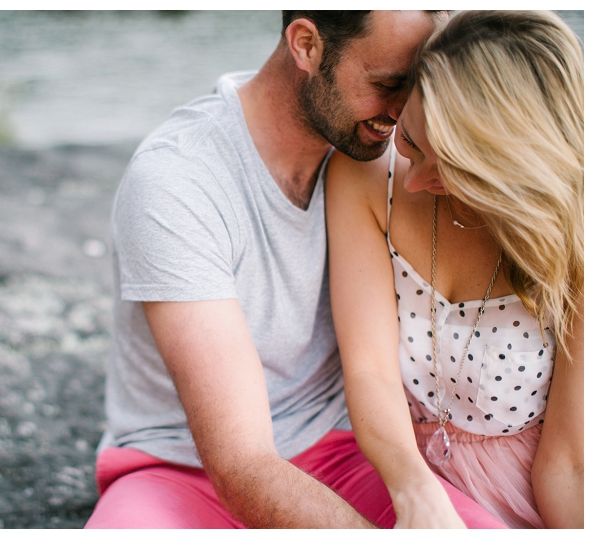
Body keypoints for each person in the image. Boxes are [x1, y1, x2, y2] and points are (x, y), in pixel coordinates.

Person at [85, 11, 506, 529]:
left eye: (414, 85)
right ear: (306, 44)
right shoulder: (178, 181)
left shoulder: (386, 158)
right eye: (387, 84)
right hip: (180, 471)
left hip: (340, 451)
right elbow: (241, 463)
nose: (402, 112)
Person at [326, 10, 583, 529]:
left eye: (454, 169)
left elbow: (570, 466)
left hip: (528, 488)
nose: (416, 181)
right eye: (412, 142)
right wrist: (413, 489)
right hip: (394, 469)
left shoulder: (575, 240)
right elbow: (370, 371)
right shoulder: (367, 181)